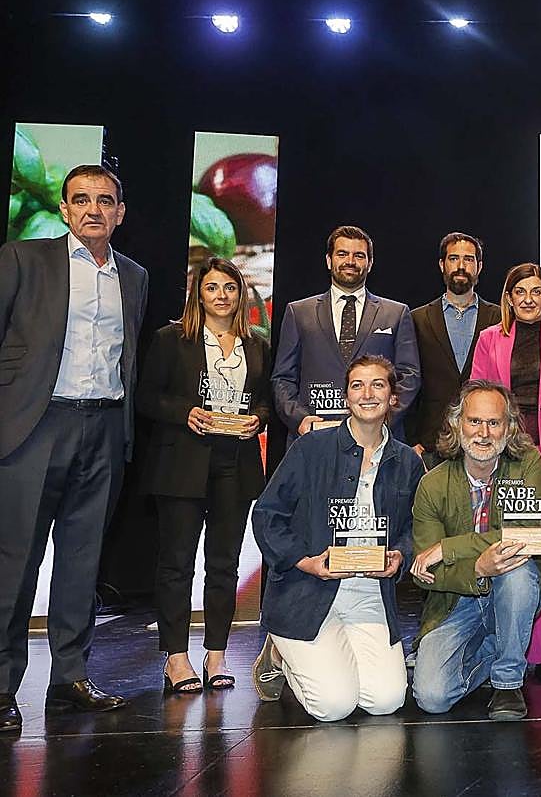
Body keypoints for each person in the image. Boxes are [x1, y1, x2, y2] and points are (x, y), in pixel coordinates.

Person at [0, 164, 147, 731]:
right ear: (64, 209)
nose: (93, 209)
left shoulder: (133, 276)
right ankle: (3, 686)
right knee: (16, 563)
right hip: (34, 428)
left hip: (104, 428)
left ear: (120, 213)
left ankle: (69, 678)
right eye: (81, 200)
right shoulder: (23, 259)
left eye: (105, 200)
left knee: (83, 564)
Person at [250, 356, 423, 721]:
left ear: (393, 396)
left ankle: (307, 656)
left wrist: (400, 557)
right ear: (346, 395)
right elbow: (267, 514)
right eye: (357, 385)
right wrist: (305, 561)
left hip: (369, 595)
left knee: (386, 700)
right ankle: (279, 652)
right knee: (334, 707)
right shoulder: (311, 448)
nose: (367, 393)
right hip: (307, 592)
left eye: (378, 384)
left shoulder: (407, 461)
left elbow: (413, 528)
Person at [137, 258, 272, 693]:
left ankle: (216, 654)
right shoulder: (172, 339)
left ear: (240, 294)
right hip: (183, 463)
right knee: (176, 564)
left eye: (229, 288)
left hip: (236, 461)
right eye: (212, 287)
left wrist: (259, 420)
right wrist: (185, 413)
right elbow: (146, 397)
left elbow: (264, 400)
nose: (221, 296)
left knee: (224, 564)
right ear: (199, 293)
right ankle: (176, 658)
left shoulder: (256, 345)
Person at [408, 380, 541, 720]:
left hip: (512, 591)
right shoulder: (432, 483)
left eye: (494, 422)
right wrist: (477, 568)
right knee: (431, 697)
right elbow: (427, 574)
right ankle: (495, 651)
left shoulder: (529, 463)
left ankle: (507, 684)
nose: (484, 432)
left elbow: (527, 535)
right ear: (457, 424)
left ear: (509, 427)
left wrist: (449, 547)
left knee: (517, 568)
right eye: (474, 421)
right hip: (454, 602)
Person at [470, 263, 541, 674]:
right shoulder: (488, 340)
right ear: (508, 298)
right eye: (520, 291)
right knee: (508, 548)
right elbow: (477, 399)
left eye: (537, 291)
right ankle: (504, 647)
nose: (528, 299)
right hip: (504, 458)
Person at [272, 225, 420, 441]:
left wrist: (383, 417)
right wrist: (300, 419)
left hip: (377, 436)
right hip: (314, 437)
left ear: (370, 264)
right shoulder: (299, 312)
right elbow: (282, 378)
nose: (350, 261)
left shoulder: (396, 313)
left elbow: (409, 376)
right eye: (342, 254)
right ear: (328, 260)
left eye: (359, 255)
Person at [406, 232, 501, 468]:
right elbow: (407, 381)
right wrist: (412, 441)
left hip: (486, 441)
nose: (461, 266)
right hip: (430, 446)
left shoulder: (499, 319)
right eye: (453, 258)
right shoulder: (417, 319)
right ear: (442, 265)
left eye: (468, 259)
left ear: (479, 267)